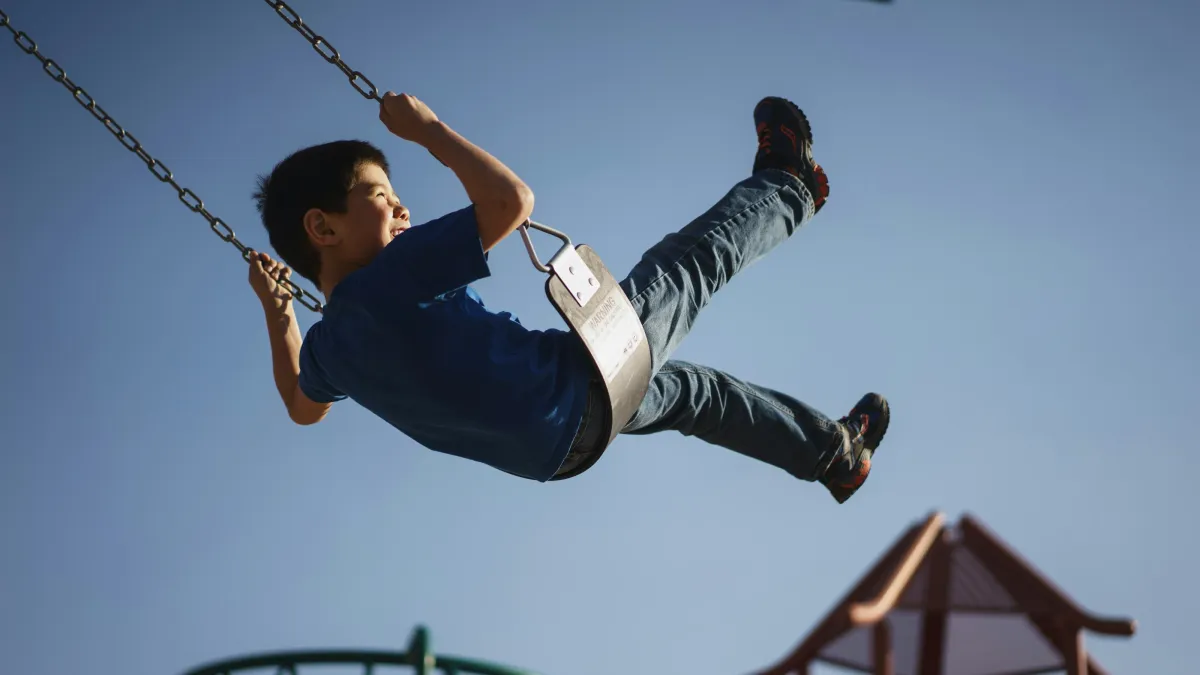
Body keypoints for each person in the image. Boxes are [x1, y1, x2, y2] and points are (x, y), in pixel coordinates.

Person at [246, 93, 889, 503]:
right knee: (686, 269)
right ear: (322, 227)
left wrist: (282, 320)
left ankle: (833, 454)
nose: (400, 205)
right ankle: (790, 186)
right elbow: (510, 203)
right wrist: (429, 130)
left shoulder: (329, 347)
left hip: (557, 450)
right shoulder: (389, 279)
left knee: (698, 396)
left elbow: (303, 407)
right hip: (572, 389)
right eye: (379, 194)